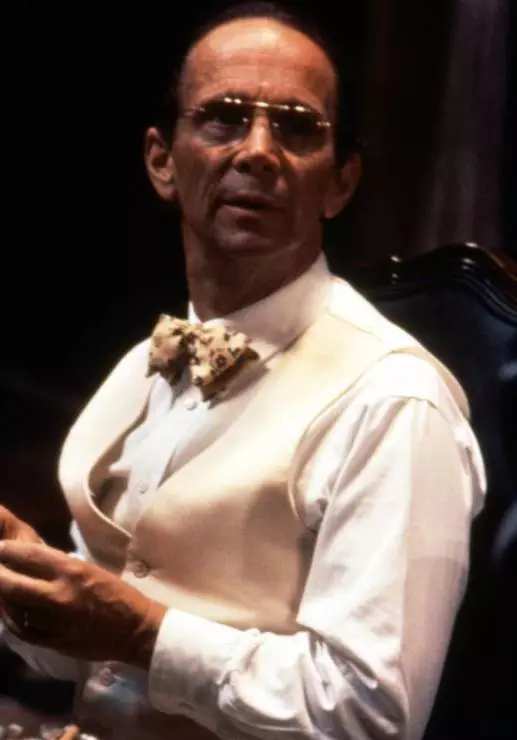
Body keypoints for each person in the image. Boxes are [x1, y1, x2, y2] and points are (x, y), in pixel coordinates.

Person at [0, 3, 485, 739]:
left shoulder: (394, 400)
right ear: (162, 161)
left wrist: (143, 632)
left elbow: (372, 716)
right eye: (224, 118)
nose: (258, 151)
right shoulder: (146, 366)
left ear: (340, 182)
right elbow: (89, 661)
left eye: (297, 127)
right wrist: (21, 578)